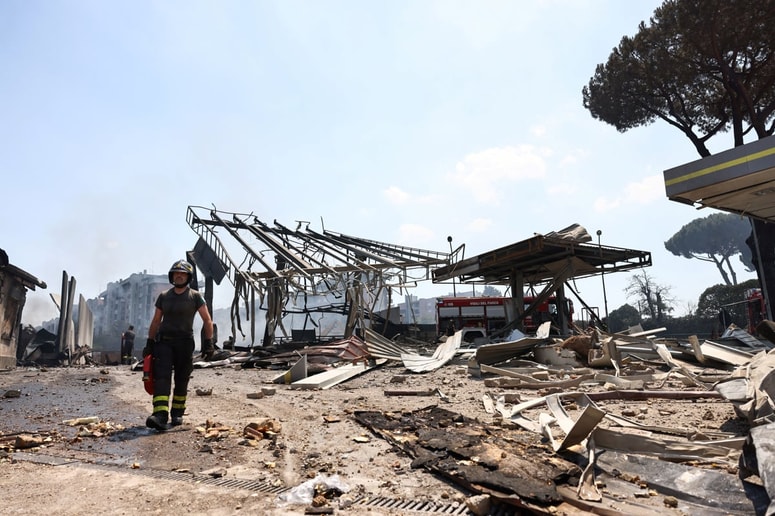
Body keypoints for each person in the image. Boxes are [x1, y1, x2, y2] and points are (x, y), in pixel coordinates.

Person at [143, 260, 214, 431]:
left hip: (185, 343)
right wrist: (150, 342)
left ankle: (177, 413)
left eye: (182, 273)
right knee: (162, 378)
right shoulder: (164, 296)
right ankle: (160, 415)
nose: (179, 276)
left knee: (182, 379)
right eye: (176, 273)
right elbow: (156, 320)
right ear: (172, 276)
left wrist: (209, 342)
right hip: (164, 343)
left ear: (188, 277)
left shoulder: (195, 296)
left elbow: (207, 319)